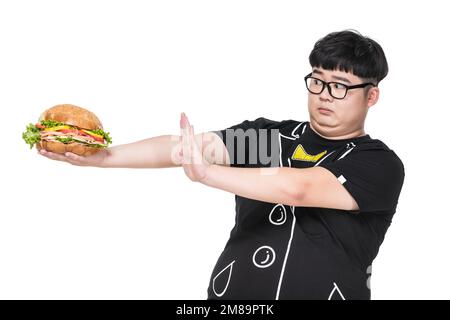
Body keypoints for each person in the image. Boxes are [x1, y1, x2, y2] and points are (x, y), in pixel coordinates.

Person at [39, 29, 404, 300]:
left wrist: (208, 174)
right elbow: (183, 148)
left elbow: (298, 187)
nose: (325, 95)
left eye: (340, 85)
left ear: (371, 95)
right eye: (317, 80)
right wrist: (104, 157)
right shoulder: (271, 138)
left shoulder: (377, 163)